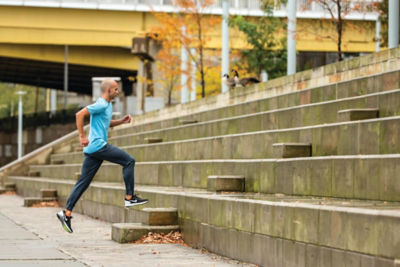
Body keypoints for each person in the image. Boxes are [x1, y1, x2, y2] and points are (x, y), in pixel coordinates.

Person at [56, 79, 148, 233]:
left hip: (93, 151)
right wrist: (81, 136)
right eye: (116, 89)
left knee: (83, 182)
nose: (118, 92)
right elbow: (79, 114)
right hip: (98, 146)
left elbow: (106, 123)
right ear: (108, 90)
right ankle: (130, 198)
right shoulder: (100, 104)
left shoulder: (107, 105)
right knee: (129, 161)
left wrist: (121, 121)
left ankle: (66, 213)